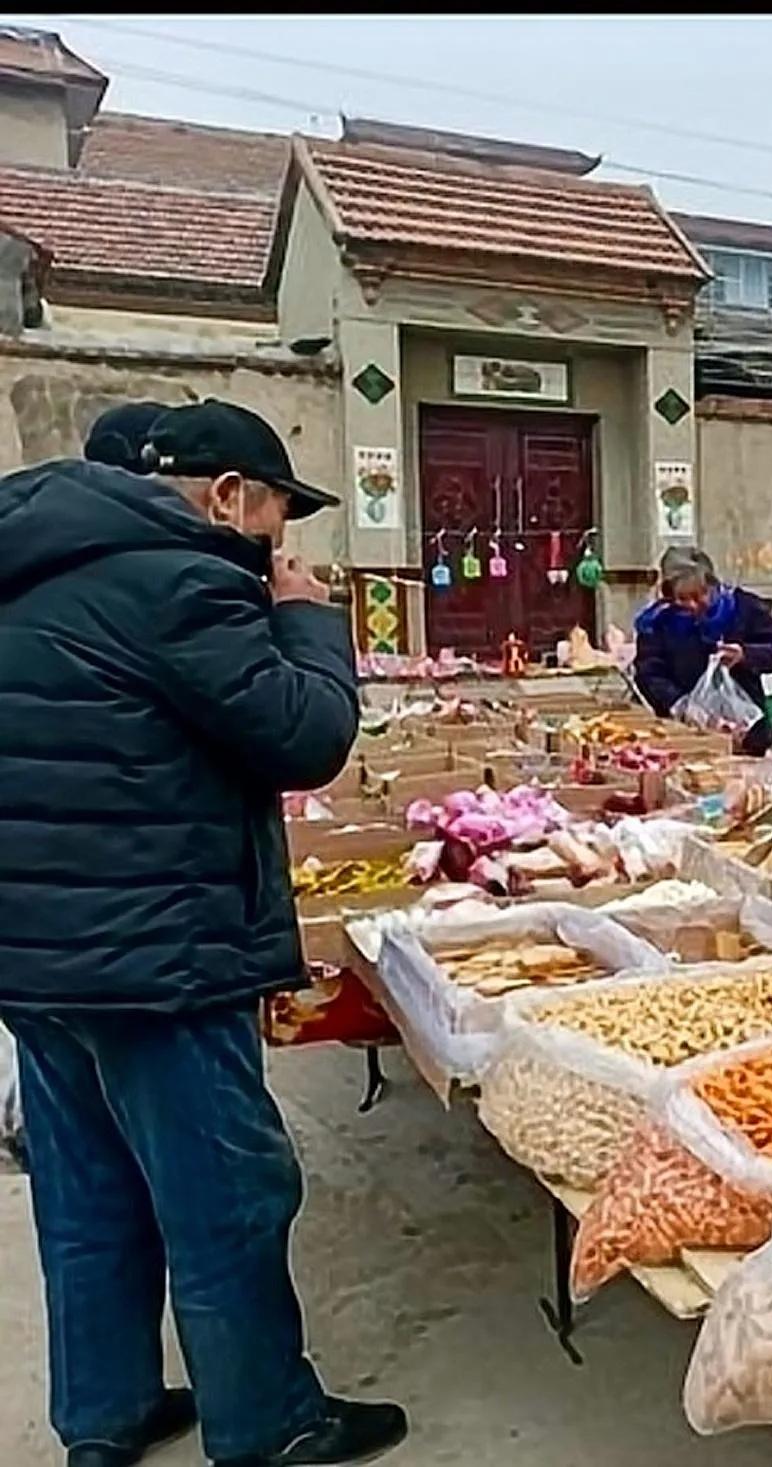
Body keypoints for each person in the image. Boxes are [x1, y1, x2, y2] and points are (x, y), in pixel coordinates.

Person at [0, 399, 408, 1467]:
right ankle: (269, 1423)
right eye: (278, 511)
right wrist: (310, 622)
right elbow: (306, 735)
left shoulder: (25, 569)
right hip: (157, 952)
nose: (281, 542)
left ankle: (105, 1415)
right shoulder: (178, 577)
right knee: (224, 1199)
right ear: (228, 495)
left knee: (88, 1194)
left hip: (34, 953)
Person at [633, 545, 772, 757]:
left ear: (712, 584)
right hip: (685, 737)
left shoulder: (742, 607)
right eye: (682, 598)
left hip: (744, 734)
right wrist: (678, 704)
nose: (692, 605)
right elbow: (648, 673)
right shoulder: (657, 622)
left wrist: (746, 654)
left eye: (699, 595)